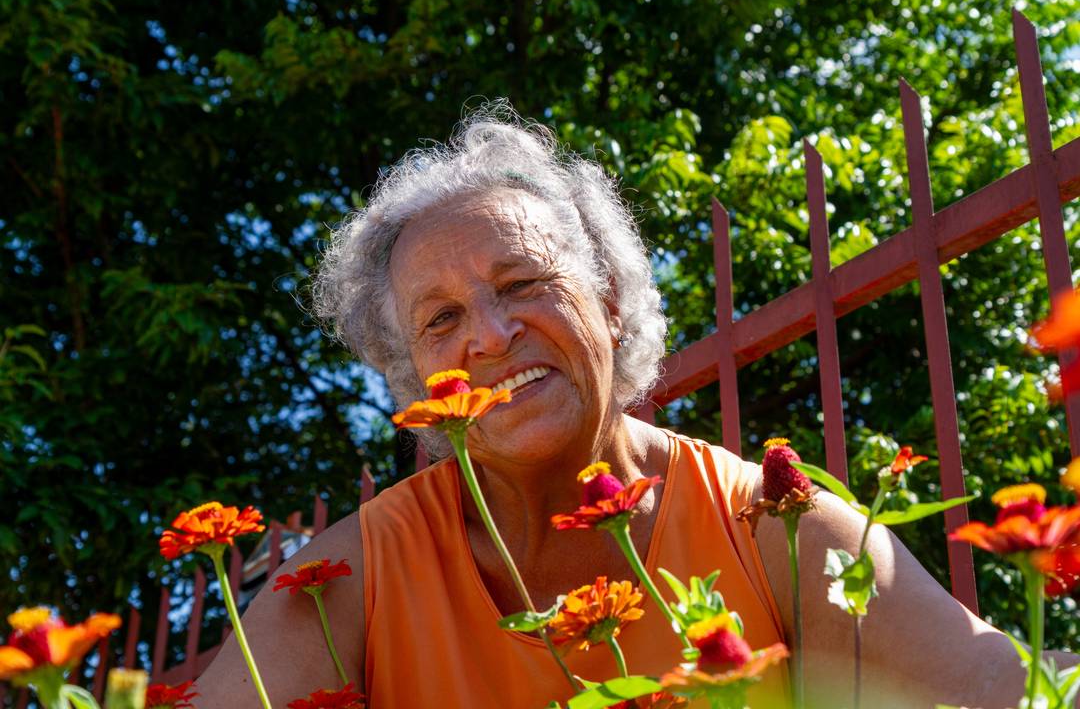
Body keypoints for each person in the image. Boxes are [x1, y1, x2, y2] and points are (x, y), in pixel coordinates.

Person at [195, 107, 1073, 708]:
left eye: (523, 282)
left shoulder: (768, 523)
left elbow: (1008, 690)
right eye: (441, 319)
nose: (491, 336)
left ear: (610, 301)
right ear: (413, 376)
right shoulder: (348, 579)